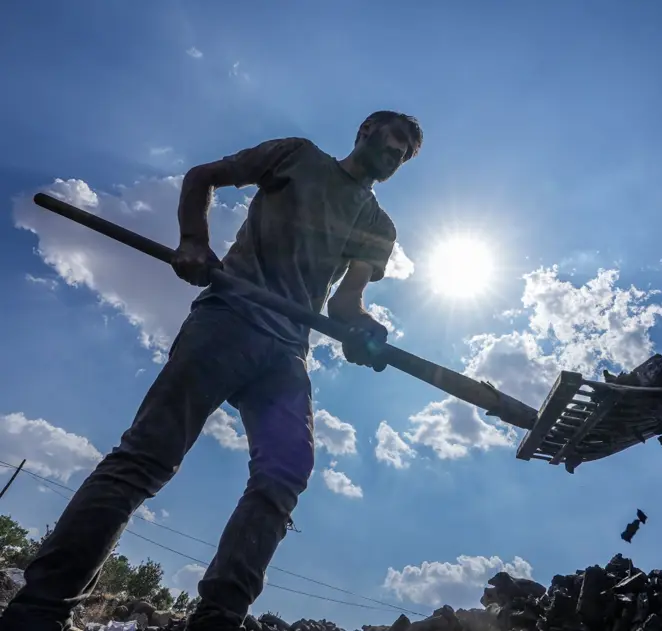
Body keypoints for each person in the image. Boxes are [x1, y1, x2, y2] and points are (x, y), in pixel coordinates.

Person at [0, 110, 423, 631]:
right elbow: (203, 176)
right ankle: (39, 608)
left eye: (404, 157)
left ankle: (218, 617)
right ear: (364, 132)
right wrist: (194, 240)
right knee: (148, 455)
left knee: (285, 472)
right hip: (229, 318)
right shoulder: (298, 156)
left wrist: (365, 332)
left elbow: (346, 305)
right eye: (392, 144)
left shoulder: (379, 225)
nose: (395, 157)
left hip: (287, 351)